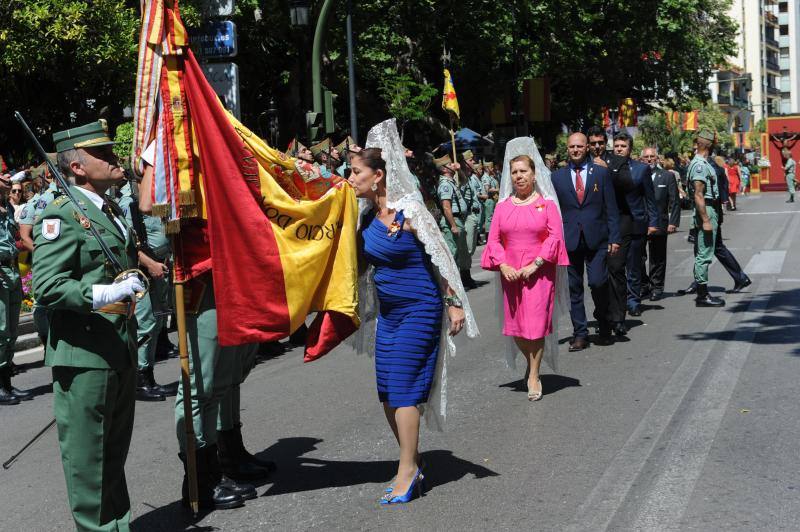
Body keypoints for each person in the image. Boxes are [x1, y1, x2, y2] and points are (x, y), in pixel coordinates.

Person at [349, 119, 476, 505]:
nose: (350, 179)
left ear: (378, 175)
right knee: (387, 392)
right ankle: (412, 459)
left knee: (404, 388)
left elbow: (441, 258)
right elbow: (352, 266)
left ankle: (407, 469)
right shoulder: (365, 217)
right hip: (388, 315)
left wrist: (453, 301)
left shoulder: (411, 212)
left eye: (356, 172)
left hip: (420, 309)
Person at [32, 120, 144, 530]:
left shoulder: (106, 209)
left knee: (111, 460)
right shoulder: (61, 215)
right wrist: (106, 294)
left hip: (117, 347)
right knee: (88, 465)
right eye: (103, 153)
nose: (115, 158)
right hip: (84, 357)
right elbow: (46, 286)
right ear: (76, 167)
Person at [481, 141, 569, 400]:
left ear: (534, 174)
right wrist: (503, 264)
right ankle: (530, 365)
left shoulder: (547, 205)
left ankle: (534, 375)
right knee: (517, 327)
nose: (519, 176)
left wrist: (536, 264)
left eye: (523, 171)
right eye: (514, 172)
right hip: (511, 274)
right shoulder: (503, 206)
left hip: (539, 274)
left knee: (537, 326)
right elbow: (494, 240)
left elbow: (554, 238)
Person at [552, 132, 620, 351]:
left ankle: (604, 323)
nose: (575, 150)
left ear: (586, 148)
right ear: (567, 149)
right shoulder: (557, 177)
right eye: (572, 147)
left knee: (598, 282)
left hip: (598, 239)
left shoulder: (600, 173)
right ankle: (580, 333)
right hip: (570, 240)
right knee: (574, 288)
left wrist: (614, 237)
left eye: (579, 146)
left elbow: (611, 207)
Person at [117, 142, 173, 402]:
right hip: (140, 271)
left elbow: (166, 227)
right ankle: (140, 379)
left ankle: (148, 375)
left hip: (161, 266)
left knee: (158, 321)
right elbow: (128, 241)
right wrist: (150, 264)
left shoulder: (157, 197)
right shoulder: (129, 203)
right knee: (145, 324)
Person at [605, 132, 658, 329]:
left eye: (623, 146)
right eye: (616, 146)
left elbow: (649, 198)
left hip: (637, 222)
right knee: (616, 267)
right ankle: (620, 301)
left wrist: (653, 222)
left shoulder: (641, 169)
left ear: (630, 149)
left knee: (634, 265)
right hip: (616, 224)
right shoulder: (607, 168)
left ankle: (633, 300)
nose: (618, 149)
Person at [0, 170, 28, 405]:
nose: (8, 182)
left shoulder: (7, 208)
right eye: (3, 178)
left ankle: (6, 382)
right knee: (0, 331)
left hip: (11, 270)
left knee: (11, 331)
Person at [688, 130, 726, 307]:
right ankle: (702, 296)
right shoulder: (700, 165)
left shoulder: (701, 162)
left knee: (704, 251)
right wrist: (705, 220)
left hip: (710, 208)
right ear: (710, 144)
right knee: (704, 253)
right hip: (707, 209)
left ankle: (702, 292)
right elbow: (698, 195)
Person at [640, 147, 679, 301]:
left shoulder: (666, 176)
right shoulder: (636, 174)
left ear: (657, 158)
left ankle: (657, 287)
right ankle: (644, 285)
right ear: (642, 159)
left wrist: (673, 222)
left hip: (660, 222)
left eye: (652, 156)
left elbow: (674, 201)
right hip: (640, 222)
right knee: (639, 257)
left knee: (658, 257)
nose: (649, 159)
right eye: (646, 157)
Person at [435, 155, 469, 277]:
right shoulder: (445, 184)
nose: (452, 165)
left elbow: (465, 180)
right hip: (452, 220)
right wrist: (453, 225)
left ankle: (465, 277)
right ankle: (451, 282)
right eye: (449, 165)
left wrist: (459, 170)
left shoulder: (452, 181)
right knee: (453, 252)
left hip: (459, 219)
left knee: (462, 251)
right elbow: (446, 207)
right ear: (444, 169)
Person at [460, 150, 486, 288]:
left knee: (472, 248)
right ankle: (464, 276)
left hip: (475, 214)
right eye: (470, 161)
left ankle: (467, 275)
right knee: (467, 248)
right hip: (467, 215)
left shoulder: (470, 177)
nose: (473, 163)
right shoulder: (462, 177)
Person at [481, 161, 499, 234]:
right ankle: (488, 234)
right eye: (491, 167)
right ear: (487, 168)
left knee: (492, 217)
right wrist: (497, 190)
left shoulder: (490, 177)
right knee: (489, 218)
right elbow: (487, 189)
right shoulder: (485, 177)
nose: (492, 168)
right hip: (489, 199)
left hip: (493, 199)